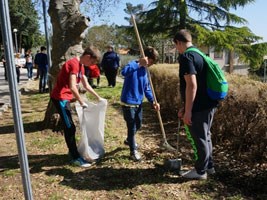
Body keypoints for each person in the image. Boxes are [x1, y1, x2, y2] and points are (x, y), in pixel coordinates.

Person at [173, 29, 218, 180]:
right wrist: (185, 107)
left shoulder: (186, 57)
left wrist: (188, 111)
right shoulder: (200, 55)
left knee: (199, 138)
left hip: (198, 107)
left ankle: (200, 171)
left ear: (179, 42)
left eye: (176, 46)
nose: (177, 50)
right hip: (209, 103)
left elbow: (191, 85)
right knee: (206, 136)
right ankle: (209, 166)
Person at [50, 46, 103, 168]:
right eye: (92, 62)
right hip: (60, 98)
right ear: (87, 57)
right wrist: (81, 101)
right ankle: (75, 157)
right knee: (69, 127)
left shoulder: (81, 66)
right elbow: (73, 87)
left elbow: (86, 85)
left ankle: (72, 151)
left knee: (70, 127)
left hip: (65, 98)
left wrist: (98, 97)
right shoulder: (74, 64)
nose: (92, 65)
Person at [120, 46, 160, 161]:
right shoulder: (133, 65)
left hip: (138, 102)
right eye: (151, 61)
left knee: (139, 124)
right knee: (132, 126)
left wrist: (153, 101)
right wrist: (138, 64)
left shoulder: (145, 71)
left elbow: (146, 88)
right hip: (128, 102)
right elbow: (124, 72)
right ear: (145, 58)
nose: (151, 64)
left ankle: (129, 139)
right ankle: (133, 151)